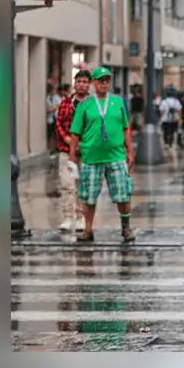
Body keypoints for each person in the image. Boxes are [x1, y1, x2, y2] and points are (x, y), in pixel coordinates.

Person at [69, 66, 135, 243]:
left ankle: (126, 228)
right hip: (91, 158)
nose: (105, 84)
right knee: (88, 197)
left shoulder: (118, 102)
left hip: (116, 156)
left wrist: (130, 151)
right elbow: (75, 132)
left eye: (107, 80)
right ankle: (88, 230)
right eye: (101, 80)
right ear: (93, 84)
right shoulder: (85, 105)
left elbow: (125, 128)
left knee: (123, 194)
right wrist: (72, 157)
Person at [54, 69, 91, 232]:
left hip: (86, 152)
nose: (81, 85)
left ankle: (81, 217)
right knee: (67, 184)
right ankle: (68, 217)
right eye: (78, 81)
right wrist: (68, 140)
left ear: (89, 84)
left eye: (84, 82)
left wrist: (83, 144)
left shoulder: (93, 104)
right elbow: (58, 124)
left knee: (84, 185)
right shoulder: (66, 103)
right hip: (65, 150)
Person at [46, 83, 62, 153]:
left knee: (55, 135)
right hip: (48, 120)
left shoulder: (52, 97)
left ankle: (54, 148)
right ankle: (49, 148)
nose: (53, 92)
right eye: (52, 90)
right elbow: (47, 110)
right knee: (49, 135)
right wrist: (55, 108)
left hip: (53, 119)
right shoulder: (46, 98)